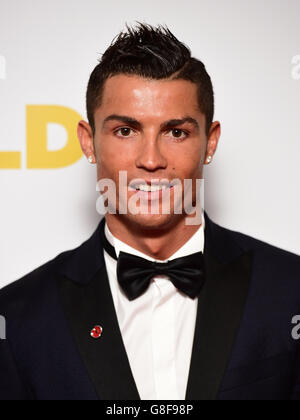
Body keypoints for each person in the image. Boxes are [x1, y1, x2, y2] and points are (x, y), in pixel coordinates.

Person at [0, 23, 299, 401]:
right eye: (126, 131)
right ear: (88, 142)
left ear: (211, 142)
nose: (151, 160)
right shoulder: (17, 318)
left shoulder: (291, 292)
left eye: (176, 132)